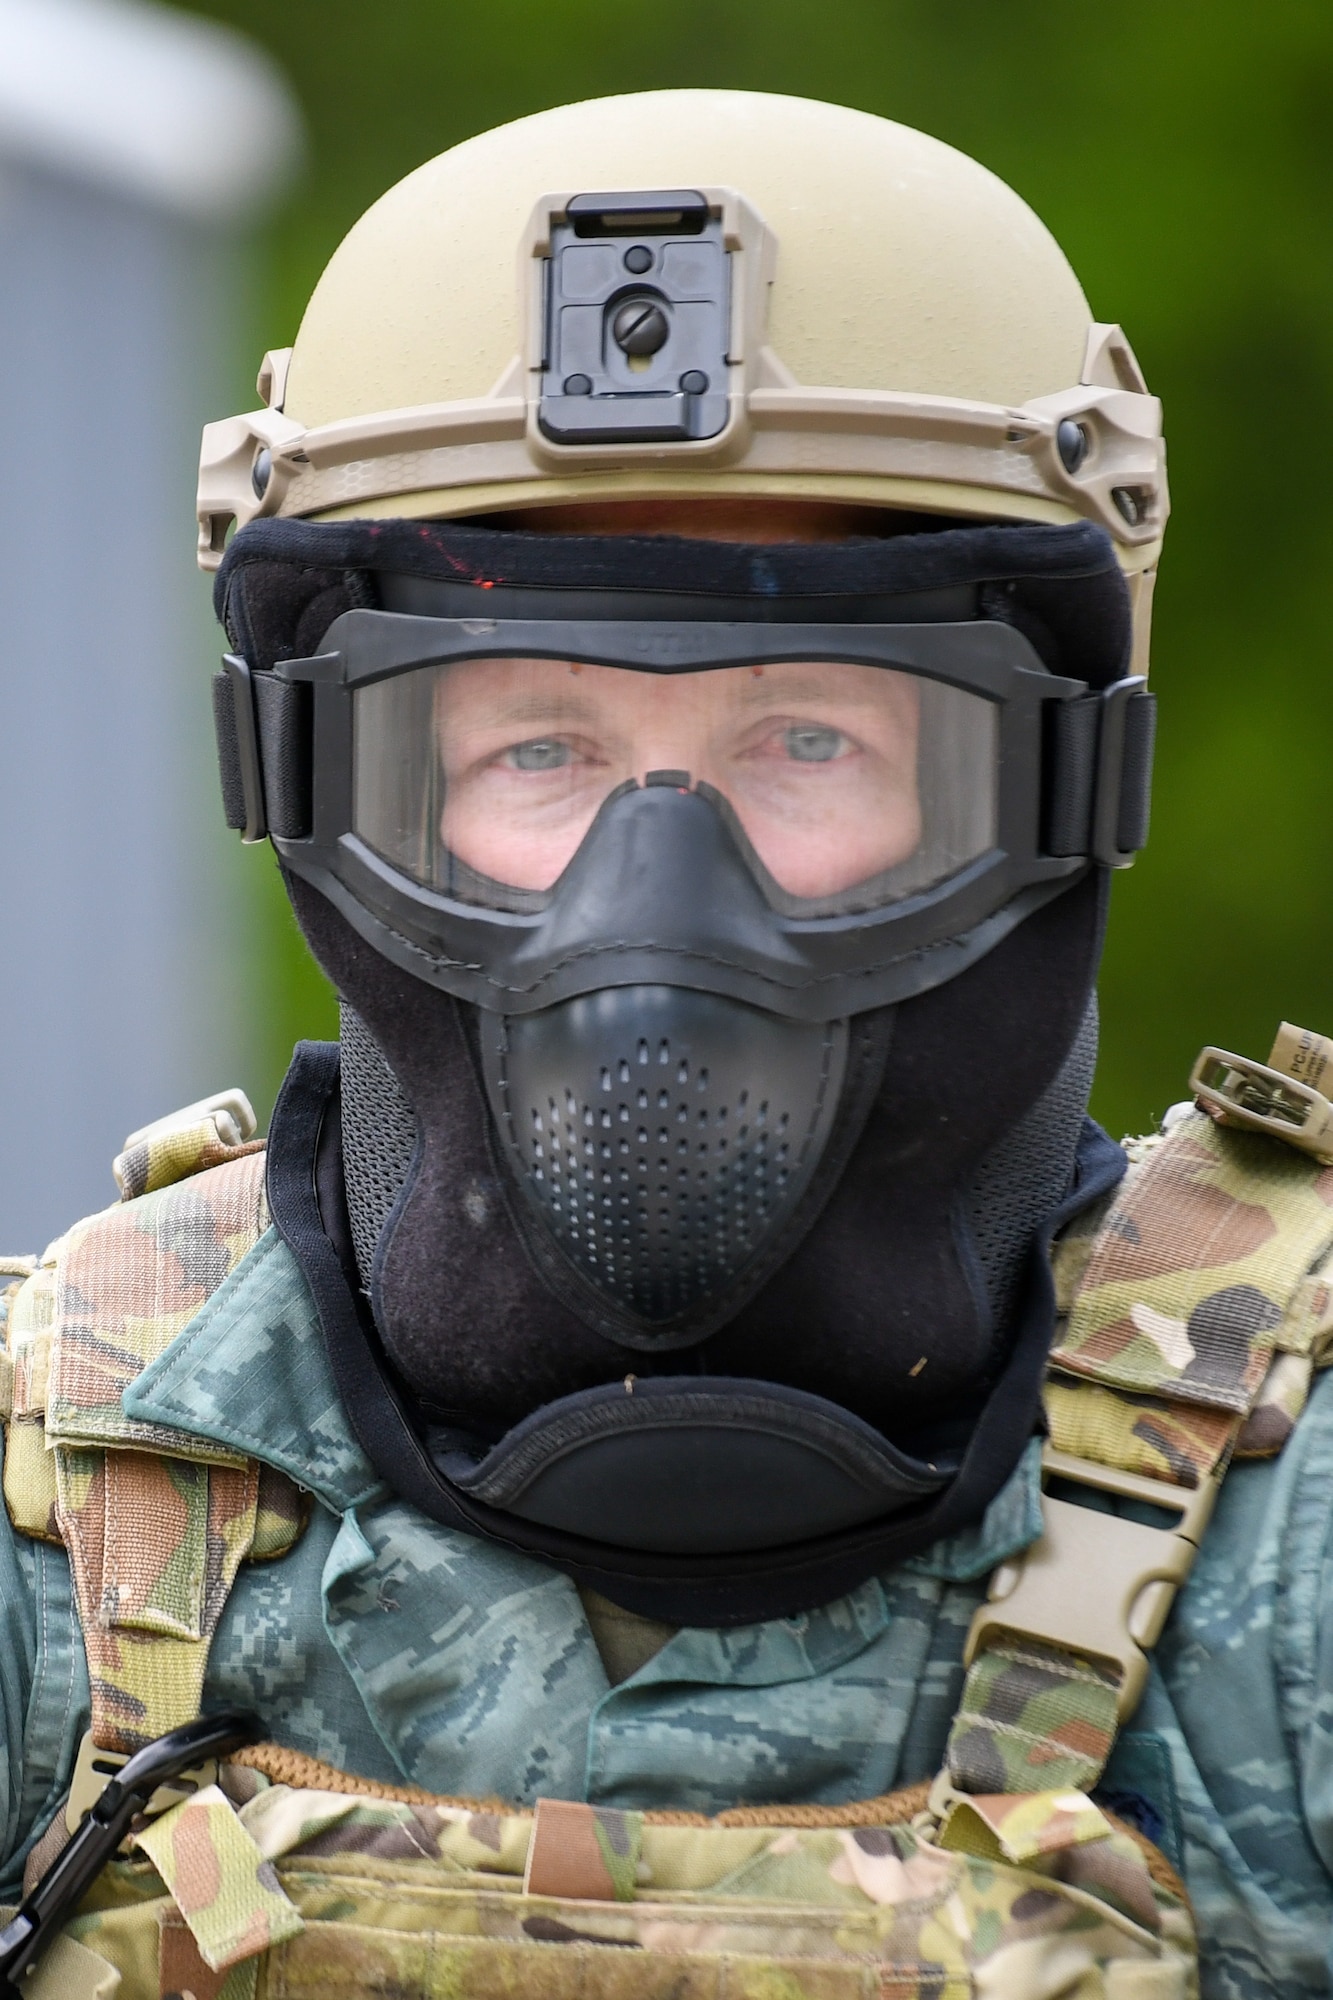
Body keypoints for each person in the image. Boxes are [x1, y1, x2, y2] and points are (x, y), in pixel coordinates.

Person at [0, 87, 1330, 2000]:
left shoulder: (1299, 1554)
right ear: (316, 781)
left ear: (1054, 778)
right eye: (536, 748)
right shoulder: (60, 1530)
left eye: (808, 743)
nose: (656, 900)